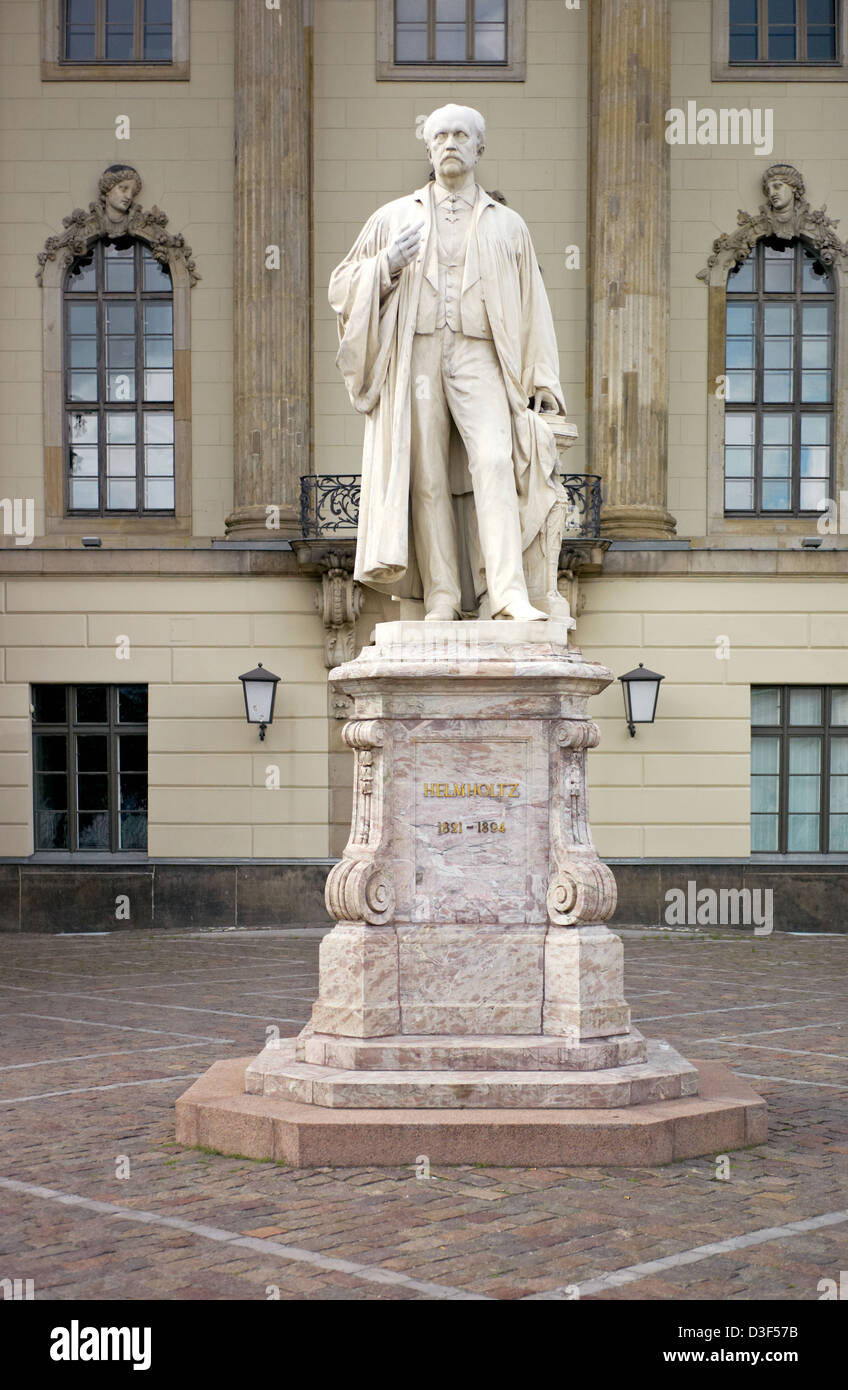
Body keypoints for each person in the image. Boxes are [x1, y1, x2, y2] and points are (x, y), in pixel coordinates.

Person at [328, 104, 568, 621]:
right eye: (440, 135)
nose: (450, 143)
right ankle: (441, 593)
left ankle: (506, 594)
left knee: (494, 461)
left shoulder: (509, 226)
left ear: (480, 148)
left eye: (462, 135)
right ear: (428, 147)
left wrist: (543, 378)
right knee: (427, 474)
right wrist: (386, 264)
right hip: (417, 351)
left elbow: (533, 305)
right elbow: (341, 287)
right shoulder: (393, 218)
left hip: (481, 351)